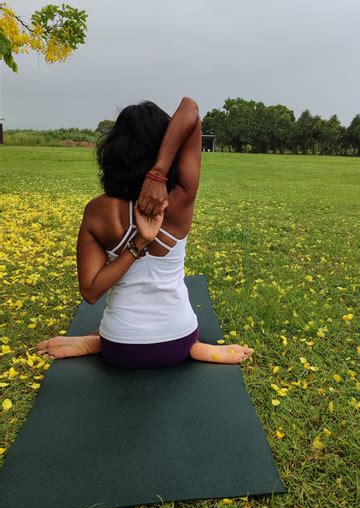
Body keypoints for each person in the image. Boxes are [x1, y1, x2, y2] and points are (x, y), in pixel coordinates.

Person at [36, 97, 254, 369]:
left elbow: (91, 292)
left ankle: (97, 340)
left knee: (112, 332)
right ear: (165, 148)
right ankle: (194, 348)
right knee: (186, 336)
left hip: (119, 346)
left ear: (114, 150)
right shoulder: (180, 199)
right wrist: (159, 174)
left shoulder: (97, 211)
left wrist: (136, 246)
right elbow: (190, 109)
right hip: (178, 341)